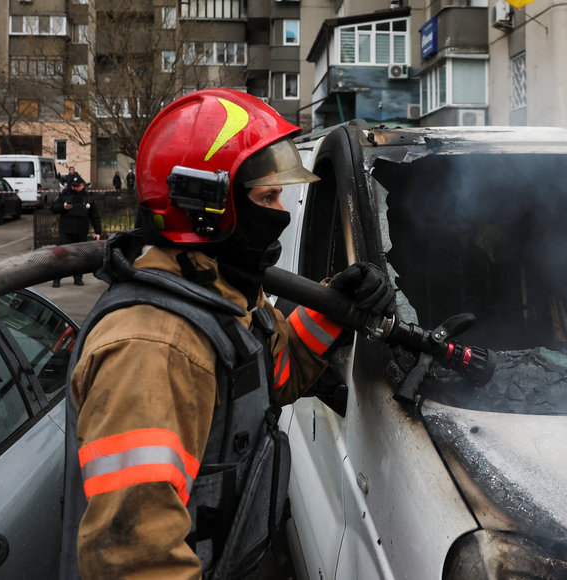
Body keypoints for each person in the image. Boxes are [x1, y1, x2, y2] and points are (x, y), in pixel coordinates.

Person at [61, 89, 396, 578]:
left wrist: (333, 309)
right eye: (267, 197)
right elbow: (134, 560)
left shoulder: (219, 292)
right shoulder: (151, 351)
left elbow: (272, 375)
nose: (281, 211)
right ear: (209, 208)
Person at [50, 172, 101, 287]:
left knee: (79, 257)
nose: (74, 188)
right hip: (66, 231)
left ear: (82, 185)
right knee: (60, 255)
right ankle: (56, 279)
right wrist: (63, 207)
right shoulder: (65, 195)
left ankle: (78, 278)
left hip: (81, 231)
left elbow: (95, 216)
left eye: (77, 186)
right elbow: (53, 208)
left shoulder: (88, 197)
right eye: (73, 185)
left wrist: (98, 231)